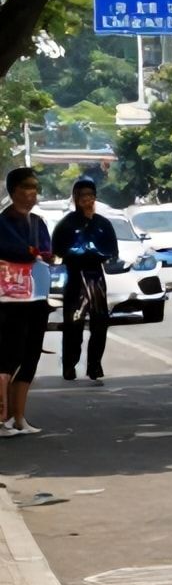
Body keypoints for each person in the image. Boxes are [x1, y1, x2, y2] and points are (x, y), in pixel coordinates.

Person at [0, 168, 54, 437]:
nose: (32, 193)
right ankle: (1, 418)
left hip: (36, 295)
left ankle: (18, 417)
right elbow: (14, 250)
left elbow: (46, 250)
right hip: (8, 299)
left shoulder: (38, 222)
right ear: (13, 192)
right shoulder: (3, 222)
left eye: (35, 187)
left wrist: (41, 254)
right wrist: (32, 253)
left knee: (30, 356)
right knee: (7, 357)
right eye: (26, 187)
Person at [52, 178, 117, 383]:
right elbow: (58, 249)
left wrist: (100, 255)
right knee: (73, 323)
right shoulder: (67, 224)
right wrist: (77, 252)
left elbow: (112, 250)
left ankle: (94, 365)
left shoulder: (103, 224)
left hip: (96, 277)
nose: (87, 200)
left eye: (90, 195)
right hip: (74, 277)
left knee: (100, 323)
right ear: (75, 198)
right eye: (82, 196)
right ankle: (69, 365)